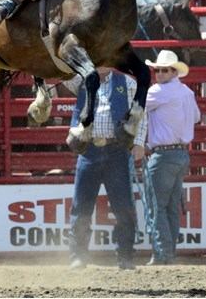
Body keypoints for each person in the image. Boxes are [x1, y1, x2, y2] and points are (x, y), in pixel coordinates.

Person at [67, 67, 146, 271]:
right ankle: (79, 255)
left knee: (123, 206)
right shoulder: (80, 80)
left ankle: (125, 256)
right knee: (81, 206)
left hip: (116, 149)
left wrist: (138, 142)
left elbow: (139, 112)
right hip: (89, 148)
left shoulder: (128, 83)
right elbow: (60, 73)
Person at [133, 50, 200, 266]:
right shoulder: (186, 92)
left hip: (163, 155)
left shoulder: (158, 92)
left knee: (157, 206)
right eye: (157, 70)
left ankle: (162, 253)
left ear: (173, 72)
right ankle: (169, 251)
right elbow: (197, 117)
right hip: (181, 154)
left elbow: (137, 104)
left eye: (163, 70)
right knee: (170, 206)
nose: (159, 73)